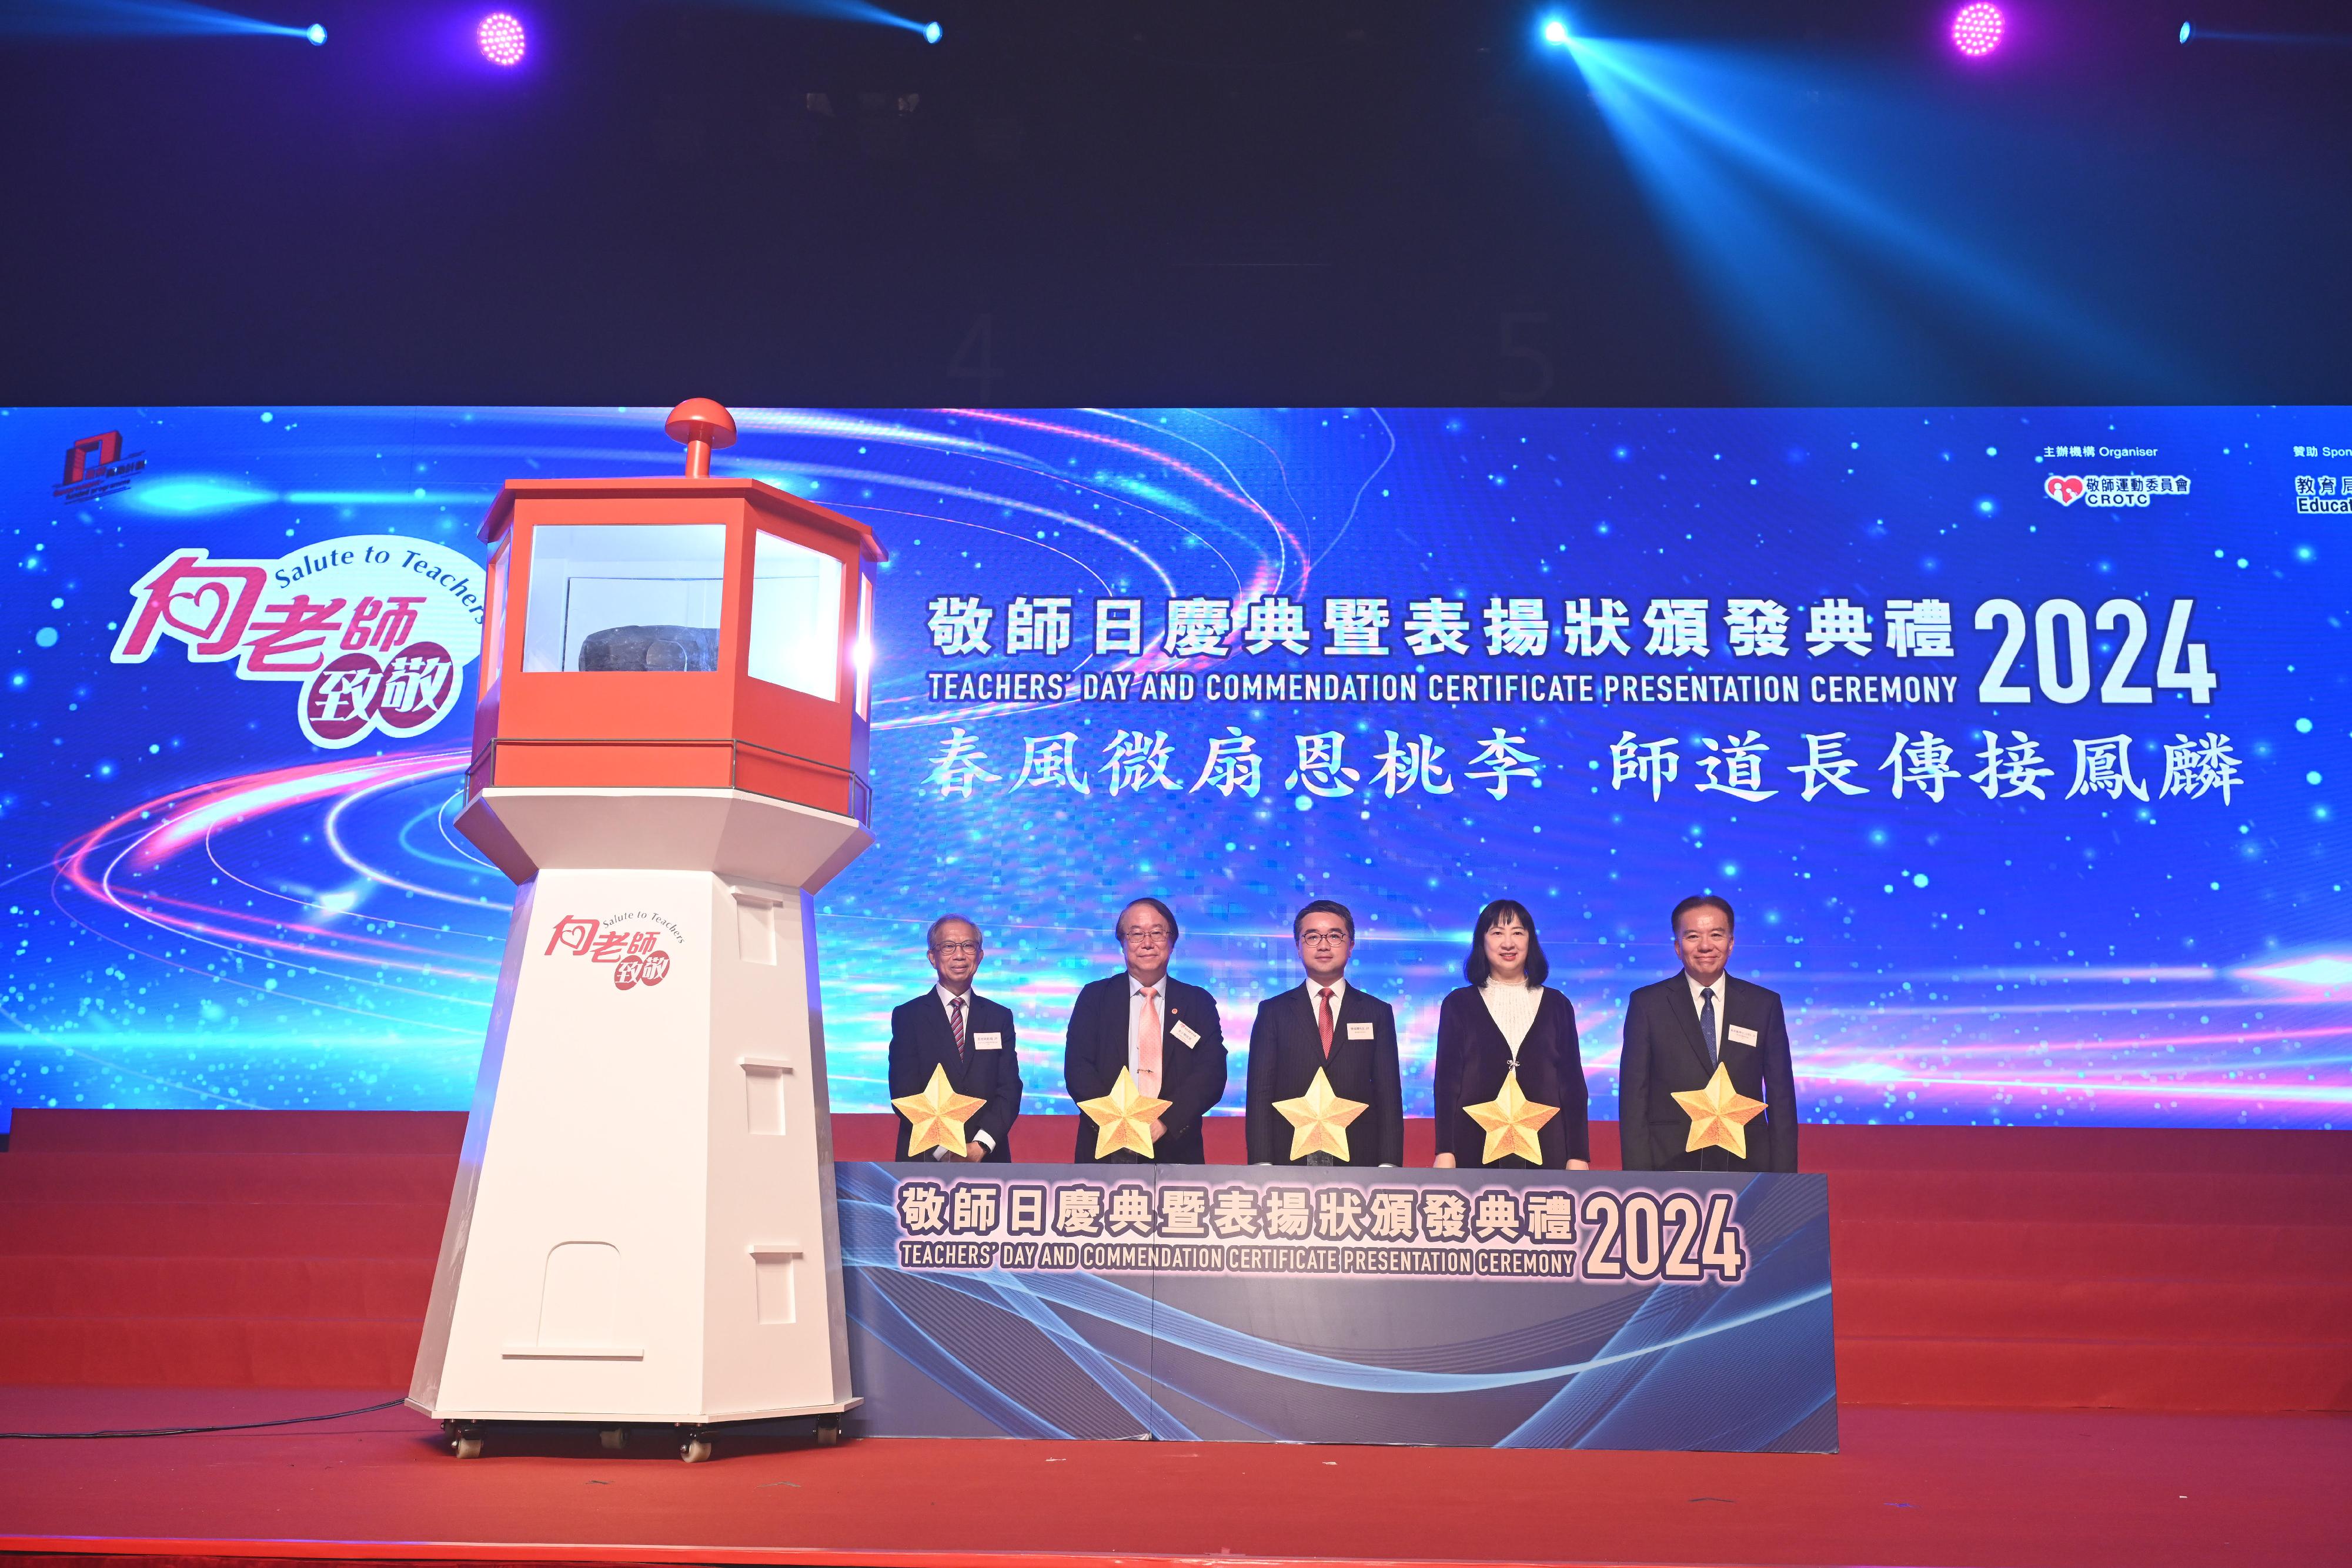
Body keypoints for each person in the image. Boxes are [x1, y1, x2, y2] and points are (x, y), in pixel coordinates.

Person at [1619, 894, 1800, 1173]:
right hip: (1669, 1162)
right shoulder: (1647, 1004)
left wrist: (1785, 1178)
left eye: (1716, 935)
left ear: (1731, 943)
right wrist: (1638, 1177)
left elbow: (1782, 1096)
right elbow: (1634, 1097)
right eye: (1693, 936)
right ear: (1678, 947)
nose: (1706, 946)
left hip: (1747, 1162)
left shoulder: (1764, 1004)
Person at [1064, 897, 1228, 1164]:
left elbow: (1211, 1074)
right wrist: (1120, 1122)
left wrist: (1164, 1122)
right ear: (1123, 943)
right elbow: (1078, 1070)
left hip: (1176, 1147)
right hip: (1106, 1147)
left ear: (1172, 942)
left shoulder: (1198, 1002)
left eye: (1157, 933)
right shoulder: (1095, 997)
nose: (1147, 943)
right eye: (1137, 934)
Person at [1431, 899, 1591, 1171]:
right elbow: (1447, 1083)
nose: (1508, 943)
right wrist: (1445, 1150)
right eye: (1497, 933)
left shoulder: (1558, 1005)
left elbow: (1572, 1084)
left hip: (1547, 1149)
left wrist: (1578, 1154)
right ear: (1482, 941)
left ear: (1531, 941)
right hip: (1474, 1149)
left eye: (1518, 932)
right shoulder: (1458, 1004)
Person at [1244, 900, 1404, 1167]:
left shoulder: (1377, 1013)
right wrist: (1261, 1164)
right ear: (1298, 947)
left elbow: (1389, 1095)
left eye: (1334, 936)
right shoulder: (1273, 1011)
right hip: (1288, 1158)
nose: (1324, 945)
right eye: (1313, 936)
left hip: (1360, 1160)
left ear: (1351, 945)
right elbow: (1259, 1093)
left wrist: (1389, 1165)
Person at [886, 914, 1022, 1162]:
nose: (959, 955)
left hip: (988, 1157)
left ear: (980, 956)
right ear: (932, 957)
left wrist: (981, 1144)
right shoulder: (908, 1016)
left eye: (968, 946)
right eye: (948, 946)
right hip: (926, 1156)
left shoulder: (999, 1017)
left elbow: (1010, 1088)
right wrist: (946, 1148)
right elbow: (904, 1092)